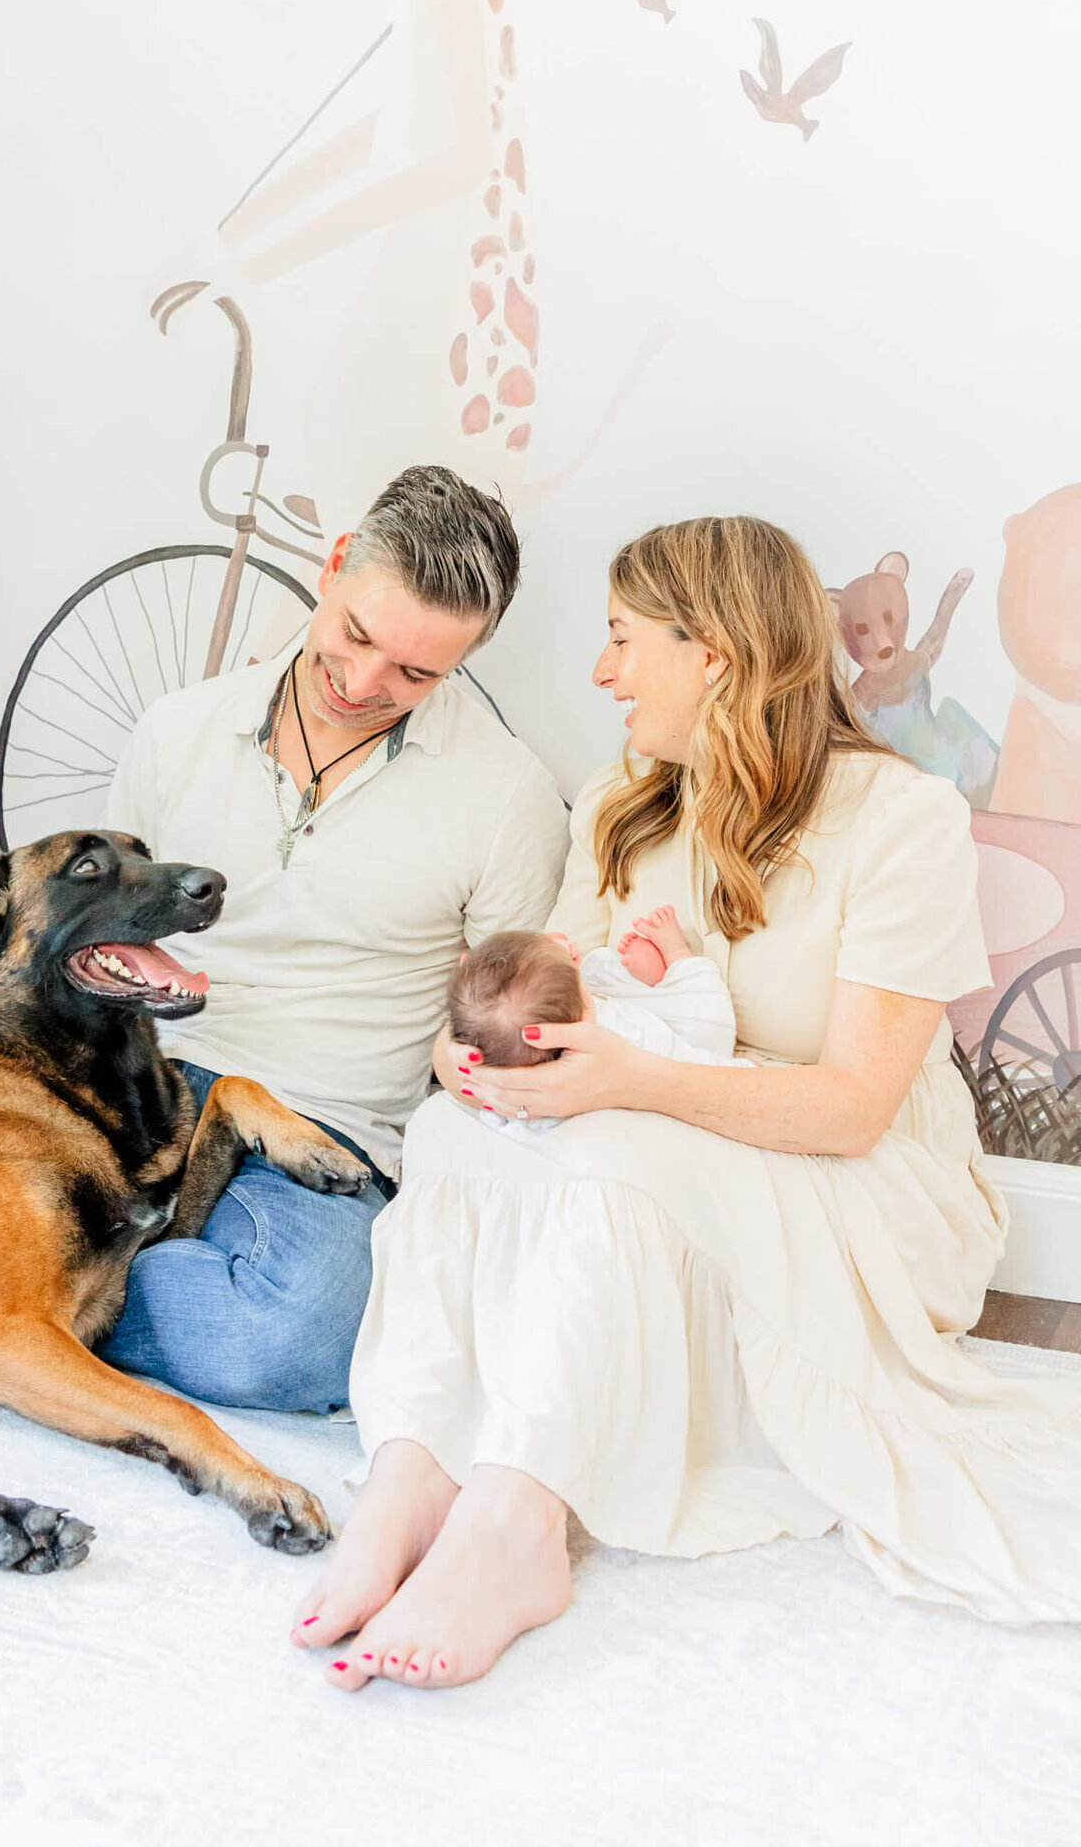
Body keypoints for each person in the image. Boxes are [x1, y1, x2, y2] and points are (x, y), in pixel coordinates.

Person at [294, 514, 1081, 1693]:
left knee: (619, 1151)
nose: (601, 672)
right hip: (666, 1114)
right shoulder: (627, 799)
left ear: (709, 652)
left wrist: (627, 1079)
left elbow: (855, 1108)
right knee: (458, 1130)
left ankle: (517, 1522)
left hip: (867, 1182)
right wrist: (498, 1063)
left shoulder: (900, 818)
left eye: (620, 640)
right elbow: (567, 992)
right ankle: (414, 1467)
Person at [0, 465, 570, 1412]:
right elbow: (94, 934)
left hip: (320, 1126)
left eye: (417, 673)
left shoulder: (506, 794)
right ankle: (3, 1292)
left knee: (296, 1340)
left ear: (468, 658)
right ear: (336, 566)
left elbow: (493, 1025)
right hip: (127, 1087)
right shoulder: (178, 728)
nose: (364, 683)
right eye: (355, 635)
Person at [452, 911, 737, 1140]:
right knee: (706, 1024)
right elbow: (708, 1044)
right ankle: (671, 967)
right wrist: (677, 953)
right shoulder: (628, 1036)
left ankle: (640, 982)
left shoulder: (504, 1095)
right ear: (578, 1023)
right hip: (668, 1064)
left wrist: (556, 961)